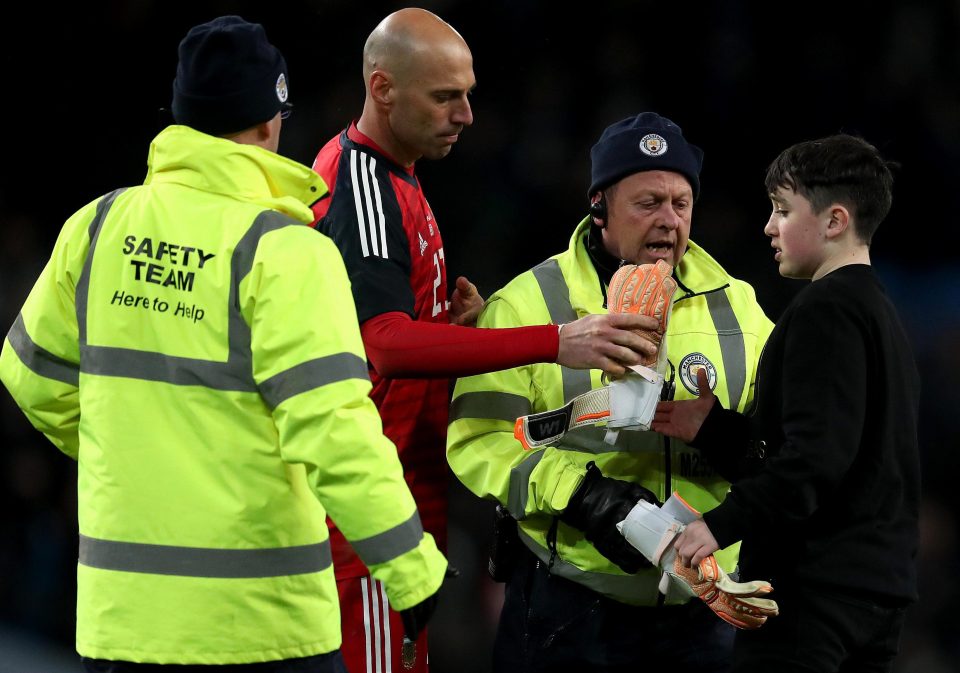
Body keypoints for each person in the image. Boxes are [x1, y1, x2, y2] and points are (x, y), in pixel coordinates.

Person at [0, 16, 446, 672]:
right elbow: (337, 432)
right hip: (262, 628)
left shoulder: (95, 227)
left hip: (122, 623)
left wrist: (136, 440)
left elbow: (27, 372)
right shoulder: (287, 252)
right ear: (271, 122)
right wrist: (414, 572)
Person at [310, 10, 660, 672]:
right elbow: (384, 346)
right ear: (382, 88)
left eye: (467, 93)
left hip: (401, 500)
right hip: (369, 514)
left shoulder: (398, 172)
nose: (467, 113)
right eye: (446, 96)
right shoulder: (362, 182)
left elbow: (375, 337)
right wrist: (555, 341)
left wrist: (446, 330)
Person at [446, 112, 775, 673]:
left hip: (700, 615)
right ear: (598, 208)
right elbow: (478, 440)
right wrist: (584, 496)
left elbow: (783, 445)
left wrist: (734, 443)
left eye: (681, 204)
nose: (669, 221)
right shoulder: (527, 305)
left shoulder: (739, 307)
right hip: (568, 608)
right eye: (648, 203)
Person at [656, 134, 920, 673]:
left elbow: (814, 461)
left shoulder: (825, 310)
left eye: (782, 209)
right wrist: (716, 431)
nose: (768, 227)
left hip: (813, 597)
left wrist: (718, 524)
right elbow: (843, 455)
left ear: (834, 221)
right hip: (873, 593)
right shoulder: (881, 314)